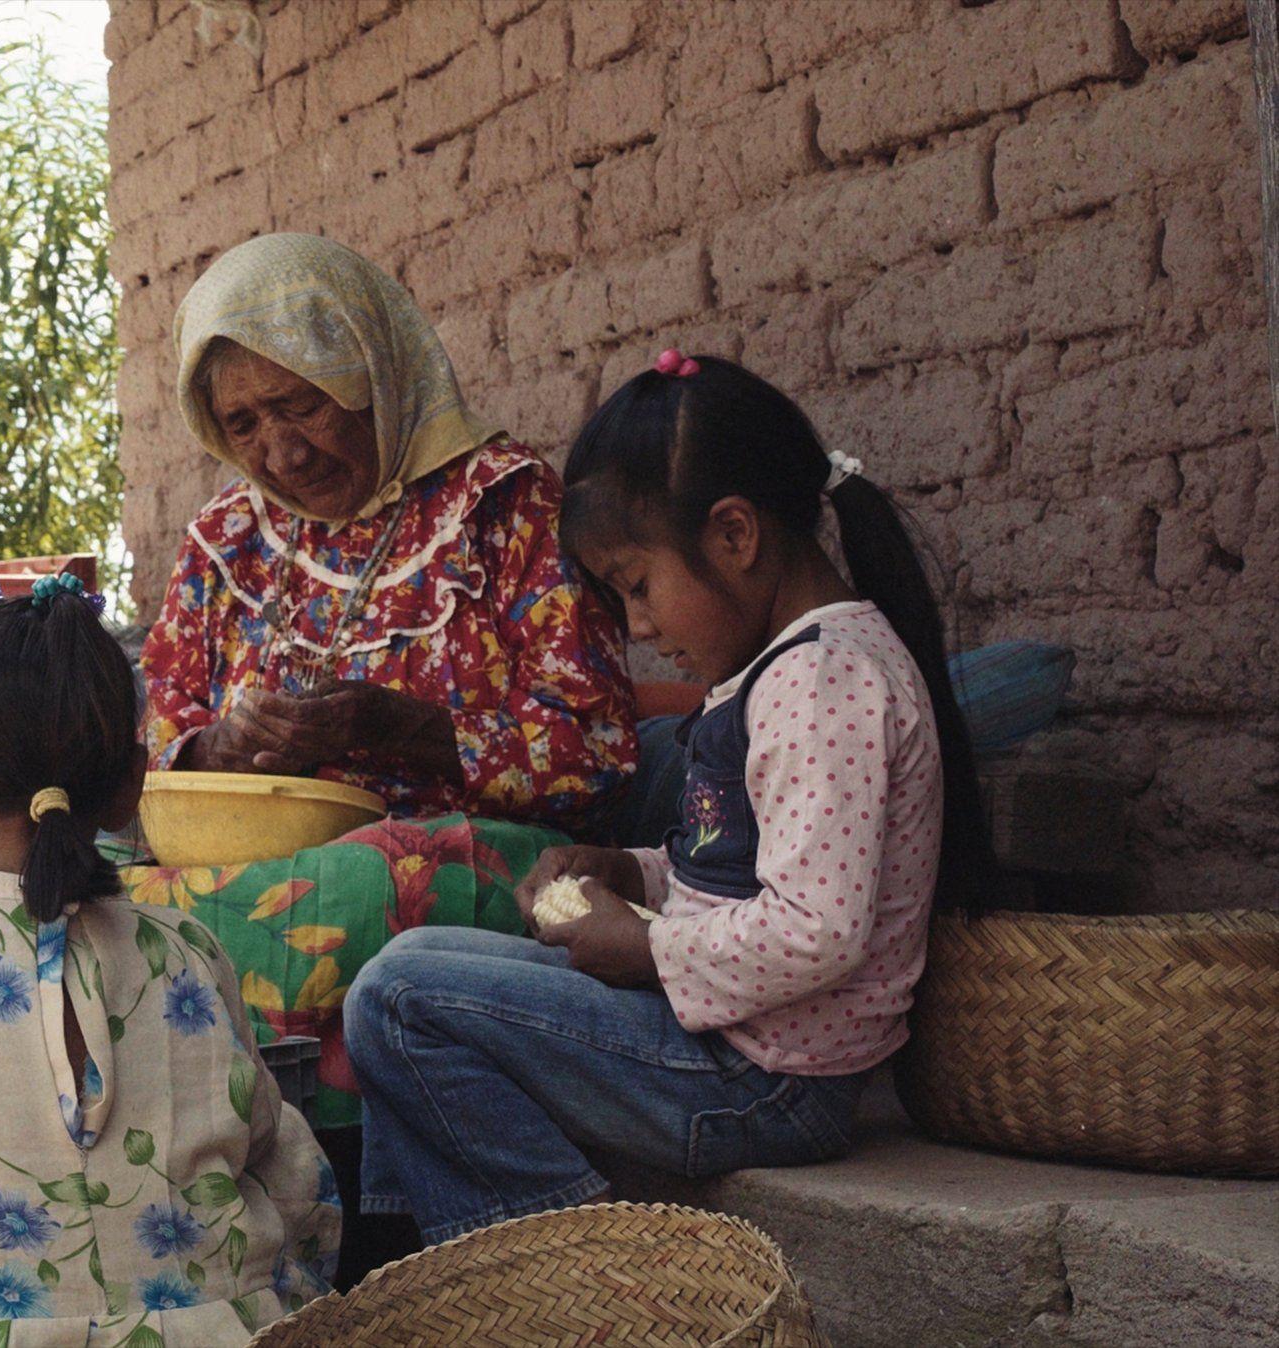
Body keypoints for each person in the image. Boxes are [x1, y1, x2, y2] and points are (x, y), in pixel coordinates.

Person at [345, 350, 995, 1245]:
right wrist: (633, 873)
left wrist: (645, 948)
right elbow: (739, 863)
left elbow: (817, 929)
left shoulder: (824, 682)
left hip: (764, 1082)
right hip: (727, 1044)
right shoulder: (780, 670)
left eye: (638, 587)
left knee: (398, 999)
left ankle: (562, 1269)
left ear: (734, 536)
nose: (640, 627)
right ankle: (467, 1255)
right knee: (411, 957)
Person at [127, 234, 635, 1129]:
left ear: (370, 368)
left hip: (510, 870)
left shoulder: (504, 506)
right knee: (79, 877)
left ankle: (269, 1100)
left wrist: (401, 729)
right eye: (243, 425)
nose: (282, 453)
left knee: (375, 879)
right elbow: (156, 754)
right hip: (261, 867)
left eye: (301, 405)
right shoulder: (224, 542)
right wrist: (222, 749)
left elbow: (599, 758)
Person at [0, 575, 340, 1346]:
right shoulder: (190, 948)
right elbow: (283, 1169)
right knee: (278, 1148)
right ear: (131, 786)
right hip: (219, 1333)